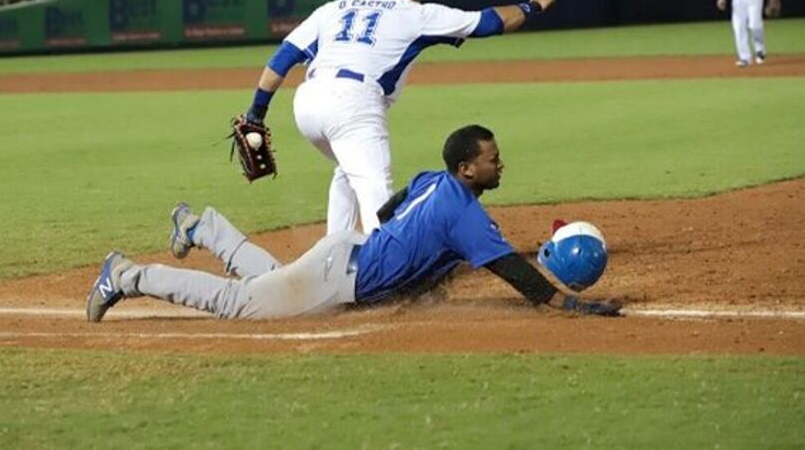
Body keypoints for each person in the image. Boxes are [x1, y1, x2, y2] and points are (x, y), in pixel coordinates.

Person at [86, 124, 621, 322]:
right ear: (466, 169)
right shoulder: (466, 213)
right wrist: (574, 305)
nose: (499, 164)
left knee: (272, 281)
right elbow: (518, 278)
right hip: (339, 275)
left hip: (347, 251)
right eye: (492, 159)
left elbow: (390, 210)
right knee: (237, 302)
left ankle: (202, 228)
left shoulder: (434, 180)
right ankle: (126, 275)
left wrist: (416, 261)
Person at [243, 0, 556, 235]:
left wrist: (256, 113)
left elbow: (281, 60)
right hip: (352, 103)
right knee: (376, 192)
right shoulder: (413, 12)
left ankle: (336, 254)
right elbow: (490, 22)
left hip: (308, 104)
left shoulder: (333, 8)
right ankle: (387, 276)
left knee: (349, 170)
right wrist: (533, 6)